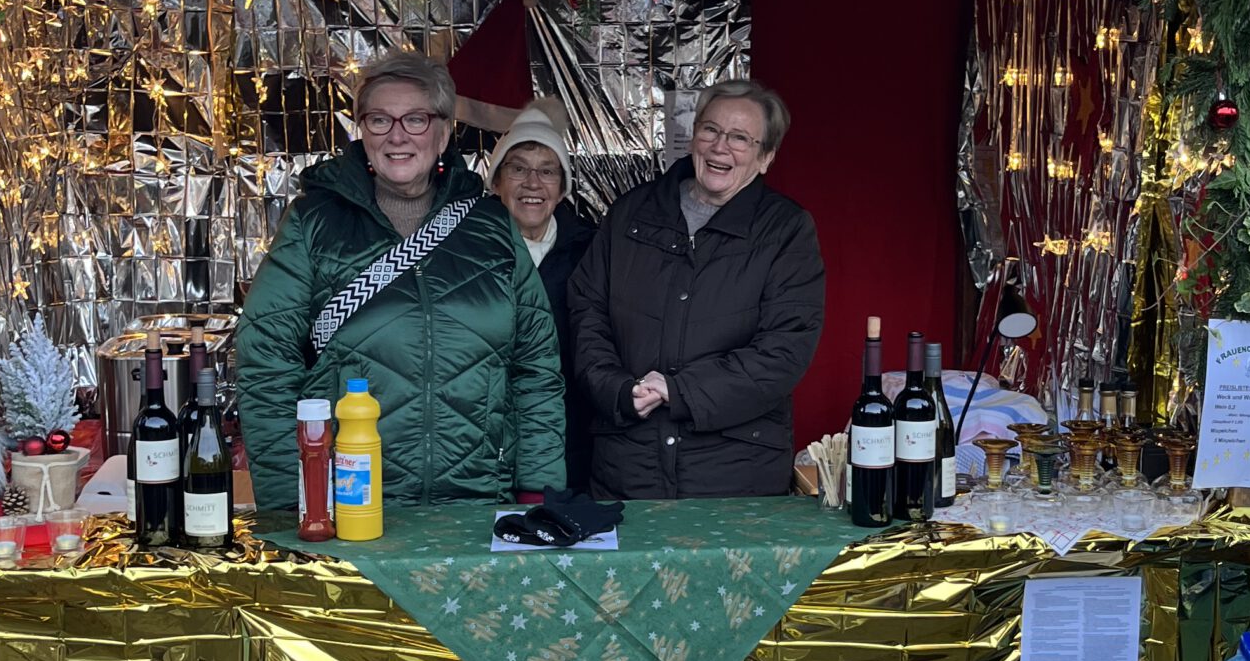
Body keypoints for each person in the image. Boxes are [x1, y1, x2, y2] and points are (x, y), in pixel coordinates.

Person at [237, 51, 567, 518]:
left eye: (415, 119)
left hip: (478, 504)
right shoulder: (313, 224)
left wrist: (539, 493)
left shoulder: (492, 227)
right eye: (379, 120)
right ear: (362, 131)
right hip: (350, 504)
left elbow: (536, 369)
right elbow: (265, 366)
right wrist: (295, 502)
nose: (396, 136)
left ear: (444, 132)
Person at [568, 77, 824, 499]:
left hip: (734, 472)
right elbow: (586, 310)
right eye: (711, 129)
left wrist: (680, 390)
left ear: (766, 157)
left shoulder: (786, 231)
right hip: (629, 465)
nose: (720, 146)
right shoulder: (632, 212)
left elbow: (784, 349)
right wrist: (616, 388)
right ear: (693, 137)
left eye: (740, 138)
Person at [487, 104, 597, 490]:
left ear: (563, 187)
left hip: (567, 441)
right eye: (518, 168)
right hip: (483, 440)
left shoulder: (592, 253)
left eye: (547, 171)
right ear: (496, 182)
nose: (533, 183)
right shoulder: (465, 250)